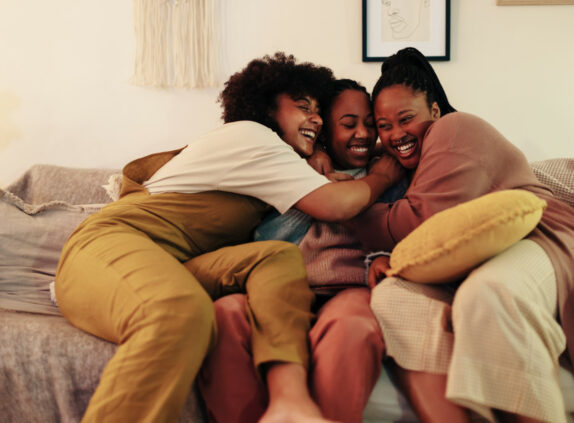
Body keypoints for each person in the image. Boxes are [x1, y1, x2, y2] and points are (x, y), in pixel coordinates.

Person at [54, 53, 403, 423]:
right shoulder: (250, 136)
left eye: (319, 111)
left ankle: (290, 400)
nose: (315, 118)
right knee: (182, 312)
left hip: (172, 262)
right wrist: (381, 175)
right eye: (303, 107)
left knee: (276, 257)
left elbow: (338, 170)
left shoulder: (279, 161)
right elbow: (338, 204)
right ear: (266, 108)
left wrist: (320, 154)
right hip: (112, 243)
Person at [357, 47, 574, 423]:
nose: (395, 134)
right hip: (469, 256)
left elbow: (416, 222)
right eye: (384, 125)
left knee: (490, 294)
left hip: (537, 236)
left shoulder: (455, 129)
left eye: (405, 119)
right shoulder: (404, 159)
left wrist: (347, 207)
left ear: (435, 111)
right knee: (393, 300)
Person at [196, 78, 408, 423]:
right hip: (280, 289)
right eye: (349, 124)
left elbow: (405, 229)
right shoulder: (292, 166)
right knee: (226, 313)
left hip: (347, 287)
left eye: (371, 125)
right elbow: (263, 237)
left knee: (352, 325)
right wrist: (318, 167)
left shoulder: (390, 169)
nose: (364, 134)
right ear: (324, 131)